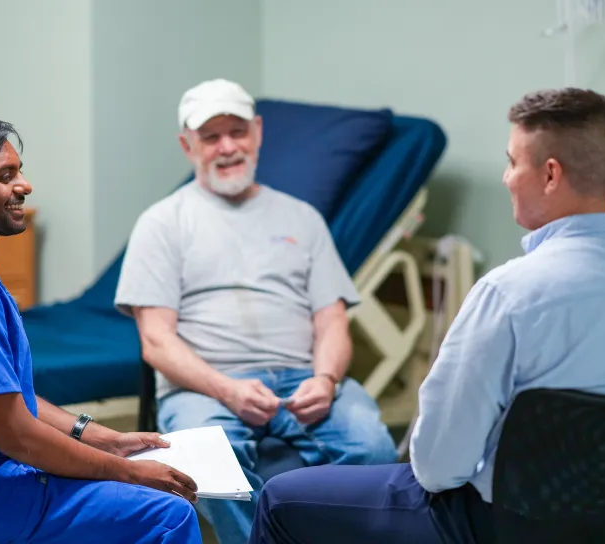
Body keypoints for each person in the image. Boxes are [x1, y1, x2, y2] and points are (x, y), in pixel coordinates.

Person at [245, 88, 605, 544]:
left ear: (549, 174)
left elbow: (437, 469)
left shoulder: (510, 294)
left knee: (282, 497)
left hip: (499, 527)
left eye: (511, 162)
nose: (505, 178)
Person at [0, 116, 203, 544]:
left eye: (19, 170)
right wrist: (130, 471)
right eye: (5, 176)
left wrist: (105, 439)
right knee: (166, 515)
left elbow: (8, 398)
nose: (24, 185)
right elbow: (17, 435)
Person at [114, 79, 398, 544]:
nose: (228, 147)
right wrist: (226, 389)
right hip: (204, 385)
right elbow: (157, 341)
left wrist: (325, 381)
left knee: (373, 447)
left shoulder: (302, 218)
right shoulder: (163, 223)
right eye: (211, 137)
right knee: (213, 475)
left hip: (302, 378)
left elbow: (331, 321)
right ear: (187, 145)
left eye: (238, 131)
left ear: (259, 132)